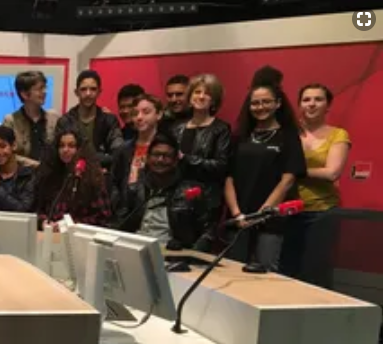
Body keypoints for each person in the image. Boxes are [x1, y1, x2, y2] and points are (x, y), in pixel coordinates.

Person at [224, 67, 306, 272]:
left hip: (271, 220)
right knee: (232, 271)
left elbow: (288, 180)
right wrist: (237, 213)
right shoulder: (240, 136)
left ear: (278, 103)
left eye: (266, 102)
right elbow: (228, 177)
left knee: (266, 272)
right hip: (239, 218)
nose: (260, 107)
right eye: (255, 103)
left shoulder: (288, 136)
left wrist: (262, 214)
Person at [279, 83, 351, 287]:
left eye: (318, 99)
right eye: (306, 99)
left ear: (328, 105)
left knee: (315, 272)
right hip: (288, 209)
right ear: (299, 105)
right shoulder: (288, 133)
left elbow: (332, 173)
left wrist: (295, 172)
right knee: (286, 270)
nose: (311, 104)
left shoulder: (338, 134)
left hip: (322, 212)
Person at [116, 132, 210, 250]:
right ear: (147, 158)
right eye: (156, 155)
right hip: (136, 249)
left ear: (175, 160)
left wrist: (189, 251)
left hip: (173, 254)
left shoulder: (191, 192)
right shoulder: (134, 189)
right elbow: (120, 224)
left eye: (166, 156)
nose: (160, 160)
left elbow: (208, 232)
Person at [171, 74, 232, 248]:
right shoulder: (177, 128)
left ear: (214, 100)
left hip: (207, 202)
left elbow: (221, 165)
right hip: (177, 200)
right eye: (197, 92)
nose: (201, 96)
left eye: (207, 93)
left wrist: (186, 159)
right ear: (190, 97)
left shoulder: (221, 129)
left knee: (200, 252)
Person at [36, 128, 111, 229]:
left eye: (71, 146)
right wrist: (44, 222)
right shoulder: (49, 176)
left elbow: (102, 218)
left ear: (80, 149)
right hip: (50, 233)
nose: (65, 150)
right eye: (61, 146)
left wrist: (72, 225)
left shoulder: (92, 179)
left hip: (78, 234)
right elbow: (39, 210)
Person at [55, 70, 123, 172]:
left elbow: (119, 152)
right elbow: (58, 155)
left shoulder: (109, 120)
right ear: (76, 92)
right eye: (83, 89)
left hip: (103, 177)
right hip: (70, 176)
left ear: (99, 92)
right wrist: (100, 157)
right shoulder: (65, 121)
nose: (88, 93)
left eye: (93, 89)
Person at [109, 94, 163, 209]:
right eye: (135, 113)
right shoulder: (124, 149)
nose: (139, 117)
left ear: (158, 114)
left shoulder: (165, 149)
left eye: (146, 112)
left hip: (154, 210)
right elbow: (114, 182)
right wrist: (117, 205)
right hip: (125, 210)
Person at [2, 70, 59, 167]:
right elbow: (6, 153)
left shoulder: (54, 118)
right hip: (22, 174)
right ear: (24, 94)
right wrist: (36, 165)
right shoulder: (10, 121)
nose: (45, 92)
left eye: (45, 87)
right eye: (40, 88)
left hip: (51, 173)